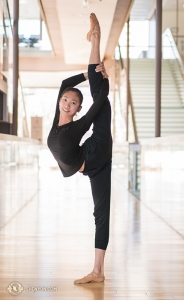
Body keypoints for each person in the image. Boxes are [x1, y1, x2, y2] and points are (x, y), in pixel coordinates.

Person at [47, 13, 112, 284]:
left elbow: (100, 100)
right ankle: (98, 271)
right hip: (90, 164)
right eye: (65, 101)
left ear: (78, 109)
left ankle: (94, 39)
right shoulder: (57, 117)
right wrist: (88, 73)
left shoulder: (77, 125)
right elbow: (65, 84)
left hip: (95, 150)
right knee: (101, 212)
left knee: (102, 96)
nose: (67, 104)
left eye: (73, 103)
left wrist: (101, 78)